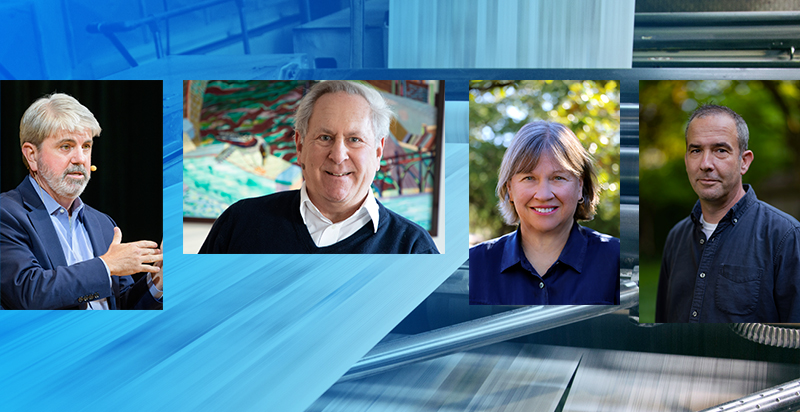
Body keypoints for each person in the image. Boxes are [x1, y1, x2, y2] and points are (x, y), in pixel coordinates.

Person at [198, 80, 438, 254]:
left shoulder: (413, 248)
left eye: (354, 139)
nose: (338, 155)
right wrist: (161, 288)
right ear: (300, 145)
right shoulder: (239, 223)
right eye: (325, 137)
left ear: (378, 151)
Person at [1, 93, 163, 310]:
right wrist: (106, 266)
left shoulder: (103, 223)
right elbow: (30, 293)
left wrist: (158, 281)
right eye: (66, 146)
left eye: (86, 146)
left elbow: (120, 305)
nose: (80, 159)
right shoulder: (7, 214)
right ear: (32, 155)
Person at [656, 105, 800, 323]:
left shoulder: (786, 236)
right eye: (696, 150)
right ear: (686, 160)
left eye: (720, 150)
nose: (705, 164)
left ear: (744, 161)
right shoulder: (676, 237)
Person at [469, 121, 620, 305]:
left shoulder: (618, 261)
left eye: (558, 178)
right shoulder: (473, 265)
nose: (543, 195)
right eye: (529, 178)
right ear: (510, 188)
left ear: (580, 186)